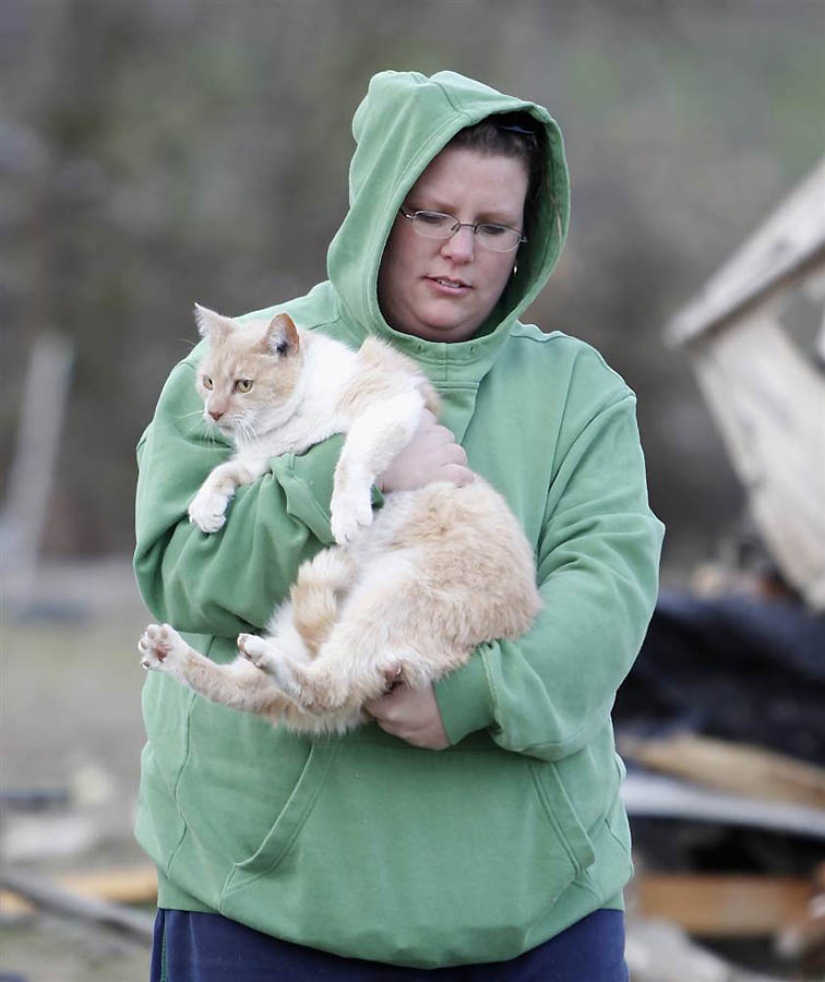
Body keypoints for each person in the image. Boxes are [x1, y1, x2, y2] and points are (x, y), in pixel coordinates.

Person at [134, 70, 664, 980]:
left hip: (532, 917)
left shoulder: (579, 392)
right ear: (379, 206)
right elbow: (183, 573)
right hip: (267, 904)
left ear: (526, 239)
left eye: (492, 227)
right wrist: (359, 476)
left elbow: (608, 591)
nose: (460, 250)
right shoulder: (237, 365)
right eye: (430, 215)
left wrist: (471, 695)